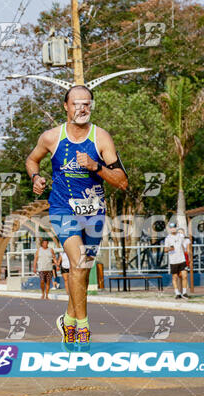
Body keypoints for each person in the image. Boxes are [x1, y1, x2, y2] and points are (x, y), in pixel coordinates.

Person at [26, 85, 128, 350]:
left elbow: (122, 182)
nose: (81, 109)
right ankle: (82, 330)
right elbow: (32, 160)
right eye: (76, 104)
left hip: (94, 212)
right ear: (66, 107)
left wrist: (95, 166)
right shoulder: (51, 137)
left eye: (86, 104)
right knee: (78, 262)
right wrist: (36, 177)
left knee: (81, 271)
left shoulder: (101, 138)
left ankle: (67, 320)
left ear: (91, 107)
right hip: (63, 209)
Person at [164, 223, 189, 299]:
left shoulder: (181, 236)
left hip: (182, 259)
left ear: (176, 228)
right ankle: (177, 293)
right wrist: (169, 249)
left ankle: (184, 292)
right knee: (174, 277)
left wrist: (188, 255)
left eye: (174, 227)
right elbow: (165, 249)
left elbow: (186, 242)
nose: (173, 229)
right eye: (171, 228)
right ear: (169, 229)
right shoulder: (168, 238)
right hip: (173, 260)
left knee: (184, 276)